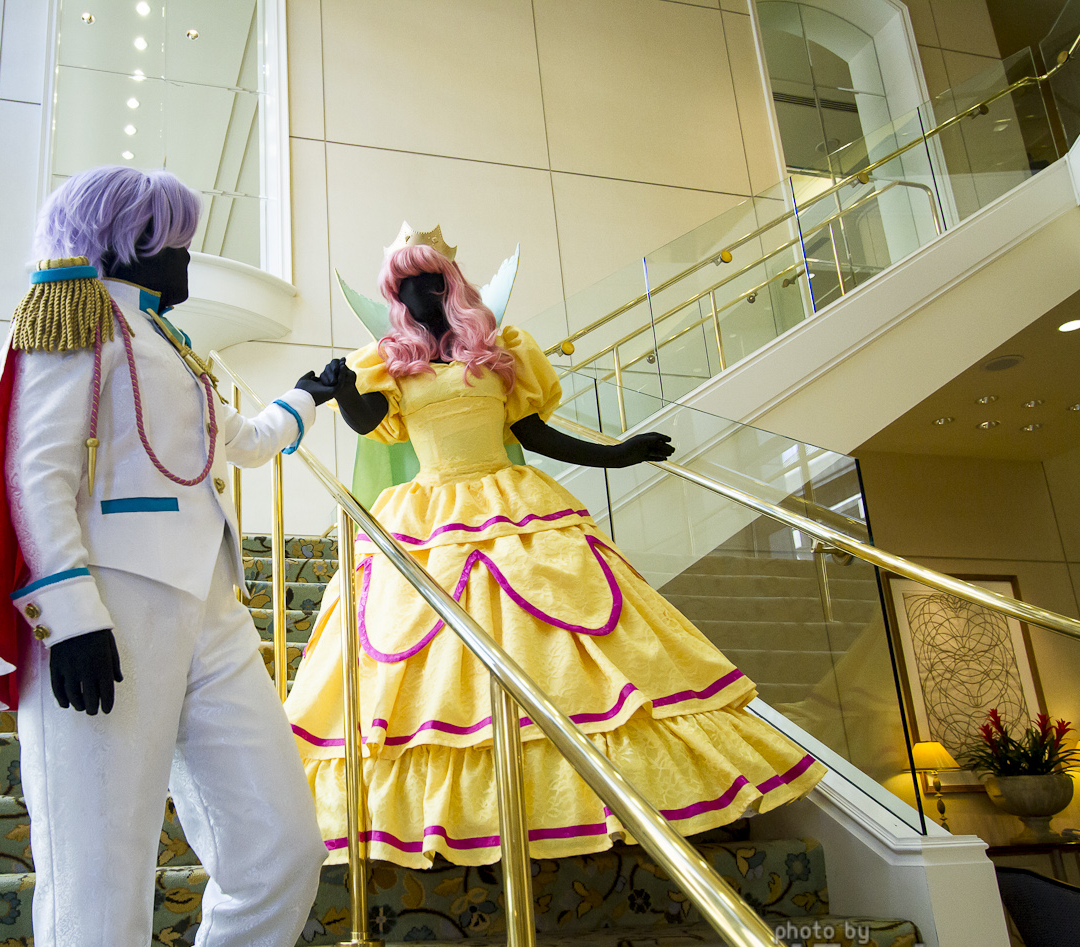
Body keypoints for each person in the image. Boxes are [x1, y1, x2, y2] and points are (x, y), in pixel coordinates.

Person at [0, 166, 335, 947]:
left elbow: (241, 442)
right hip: (109, 606)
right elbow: (35, 470)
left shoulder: (171, 342)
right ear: (133, 243)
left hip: (212, 609)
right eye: (176, 242)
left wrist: (309, 396)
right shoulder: (72, 310)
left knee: (282, 848)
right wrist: (70, 614)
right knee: (98, 884)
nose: (187, 259)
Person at [284, 223, 825, 869]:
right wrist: (342, 389)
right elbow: (375, 425)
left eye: (428, 280)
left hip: (513, 502)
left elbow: (534, 432)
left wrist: (616, 455)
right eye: (404, 285)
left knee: (565, 631)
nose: (417, 293)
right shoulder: (387, 362)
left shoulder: (502, 350)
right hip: (428, 511)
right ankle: (449, 811)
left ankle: (585, 795)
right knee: (417, 643)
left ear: (450, 284)